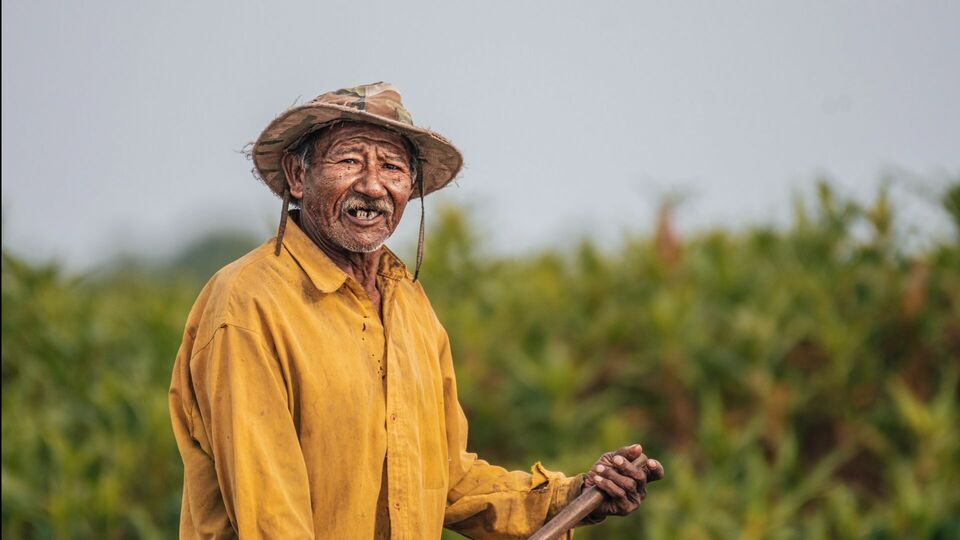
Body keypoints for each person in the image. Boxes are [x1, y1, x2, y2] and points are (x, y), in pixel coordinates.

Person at [168, 82, 664, 539]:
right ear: (298, 177)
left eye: (392, 167)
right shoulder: (247, 303)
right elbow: (271, 515)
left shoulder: (407, 305)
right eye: (349, 161)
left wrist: (574, 496)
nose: (372, 186)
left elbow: (447, 479)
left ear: (410, 187)